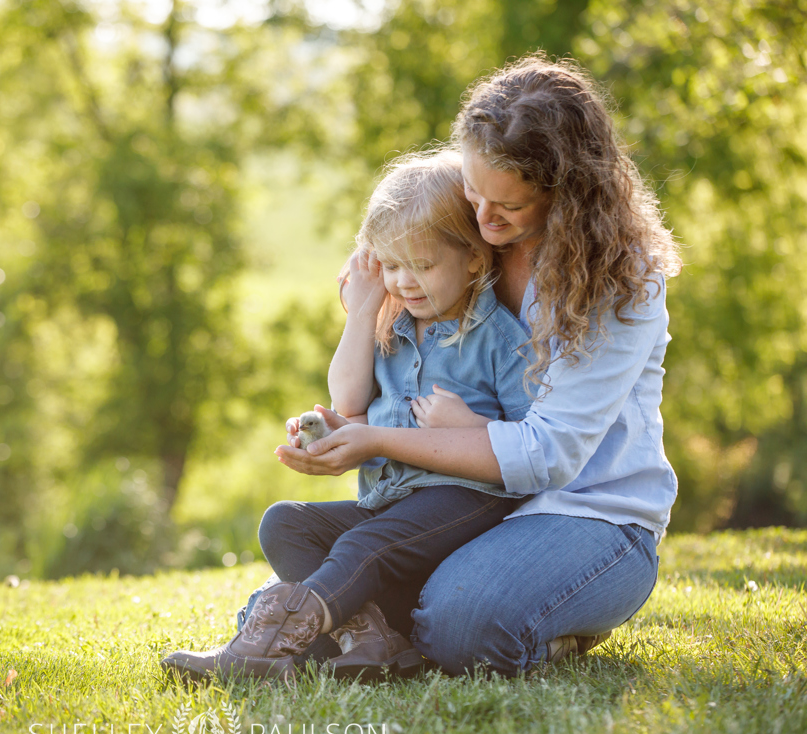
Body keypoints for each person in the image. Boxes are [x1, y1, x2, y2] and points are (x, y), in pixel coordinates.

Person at [270, 55, 680, 677]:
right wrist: (349, 421)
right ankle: (377, 628)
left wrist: (382, 439)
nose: (483, 223)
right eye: (472, 191)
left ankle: (539, 620)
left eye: (508, 209)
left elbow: (549, 455)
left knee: (461, 621)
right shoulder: (457, 244)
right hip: (469, 504)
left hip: (588, 513)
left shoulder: (619, 281)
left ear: (566, 194)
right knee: (318, 556)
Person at [161, 149, 535, 683]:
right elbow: (349, 401)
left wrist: (470, 428)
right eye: (391, 265)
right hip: (388, 502)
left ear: (474, 258)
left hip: (464, 500)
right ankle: (373, 640)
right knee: (285, 523)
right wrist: (361, 313)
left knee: (363, 546)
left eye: (423, 265)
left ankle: (264, 644)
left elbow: (531, 443)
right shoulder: (394, 327)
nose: (405, 281)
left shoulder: (499, 340)